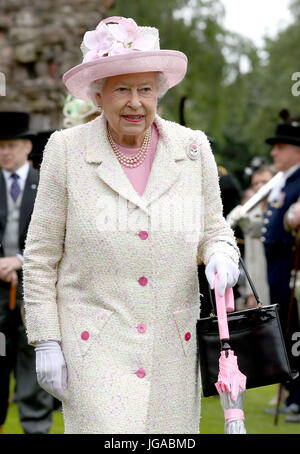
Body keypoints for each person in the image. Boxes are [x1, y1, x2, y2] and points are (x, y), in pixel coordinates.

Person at [22, 16, 240, 434]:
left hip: (171, 349)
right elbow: (40, 256)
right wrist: (46, 340)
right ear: (98, 96)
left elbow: (215, 230)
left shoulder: (193, 147)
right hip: (93, 345)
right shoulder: (65, 151)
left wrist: (220, 254)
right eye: (121, 89)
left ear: (158, 92)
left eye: (145, 89)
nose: (135, 102)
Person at [0, 112, 54, 434]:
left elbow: (55, 236)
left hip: (32, 294)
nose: (5, 152)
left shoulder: (44, 187)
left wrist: (20, 259)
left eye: (11, 145)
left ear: (26, 146)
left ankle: (36, 428)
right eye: (0, 146)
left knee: (32, 367)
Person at [262, 111, 300, 421]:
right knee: (286, 332)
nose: (274, 152)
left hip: (291, 265)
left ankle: (299, 398)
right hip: (278, 266)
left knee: (296, 329)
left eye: (281, 147)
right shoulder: (285, 181)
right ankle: (292, 392)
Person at [227, 165, 276, 308]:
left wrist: (244, 220)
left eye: (265, 182)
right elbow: (251, 259)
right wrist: (250, 292)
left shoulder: (280, 207)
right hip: (258, 283)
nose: (260, 186)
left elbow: (259, 227)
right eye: (255, 183)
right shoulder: (251, 210)